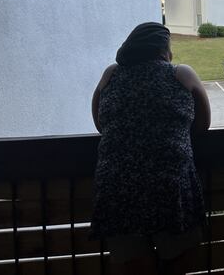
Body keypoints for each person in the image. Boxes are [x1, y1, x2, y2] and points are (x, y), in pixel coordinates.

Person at [90, 22, 211, 275]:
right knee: (178, 258)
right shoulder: (181, 74)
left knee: (134, 264)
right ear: (163, 50)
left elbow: (100, 122)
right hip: (168, 183)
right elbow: (203, 123)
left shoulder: (111, 75)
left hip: (118, 186)